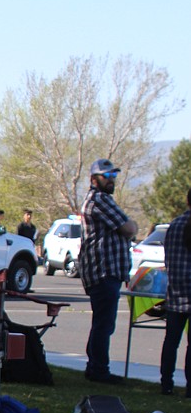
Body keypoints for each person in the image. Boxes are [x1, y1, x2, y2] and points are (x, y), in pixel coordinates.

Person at [79, 158, 137, 384]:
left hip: (102, 272)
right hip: (104, 272)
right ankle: (99, 370)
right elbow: (129, 228)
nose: (112, 180)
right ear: (94, 179)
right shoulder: (100, 200)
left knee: (101, 322)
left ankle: (94, 366)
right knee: (105, 324)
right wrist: (131, 227)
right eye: (107, 176)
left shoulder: (96, 200)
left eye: (114, 176)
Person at [160, 190, 191, 396]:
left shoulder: (174, 224)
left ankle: (166, 383)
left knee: (171, 340)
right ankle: (190, 387)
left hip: (175, 290)